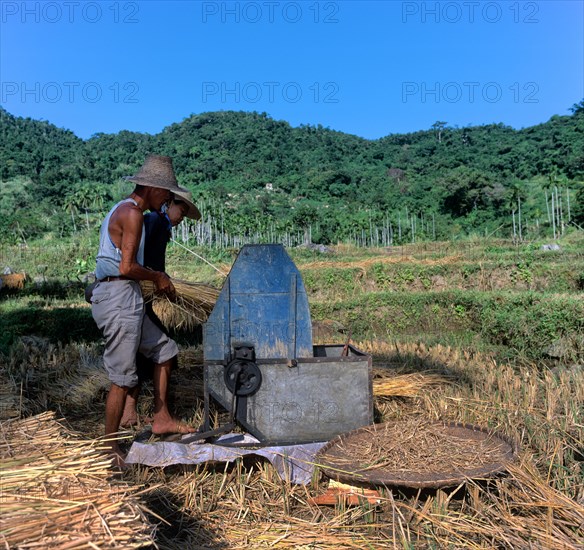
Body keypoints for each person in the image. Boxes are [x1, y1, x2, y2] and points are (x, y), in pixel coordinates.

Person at [90, 155, 196, 466]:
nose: (166, 199)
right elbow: (127, 266)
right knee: (122, 377)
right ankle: (109, 448)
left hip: (127, 292)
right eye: (165, 193)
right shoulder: (132, 214)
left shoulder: (126, 210)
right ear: (150, 188)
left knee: (165, 350)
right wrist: (159, 277)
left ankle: (161, 417)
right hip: (119, 296)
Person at [120, 189, 201, 428]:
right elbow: (139, 257)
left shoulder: (161, 226)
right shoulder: (153, 220)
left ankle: (131, 411)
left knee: (141, 352)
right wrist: (156, 279)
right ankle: (156, 414)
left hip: (143, 294)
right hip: (137, 293)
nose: (181, 217)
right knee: (162, 349)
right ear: (168, 203)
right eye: (181, 211)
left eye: (185, 214)